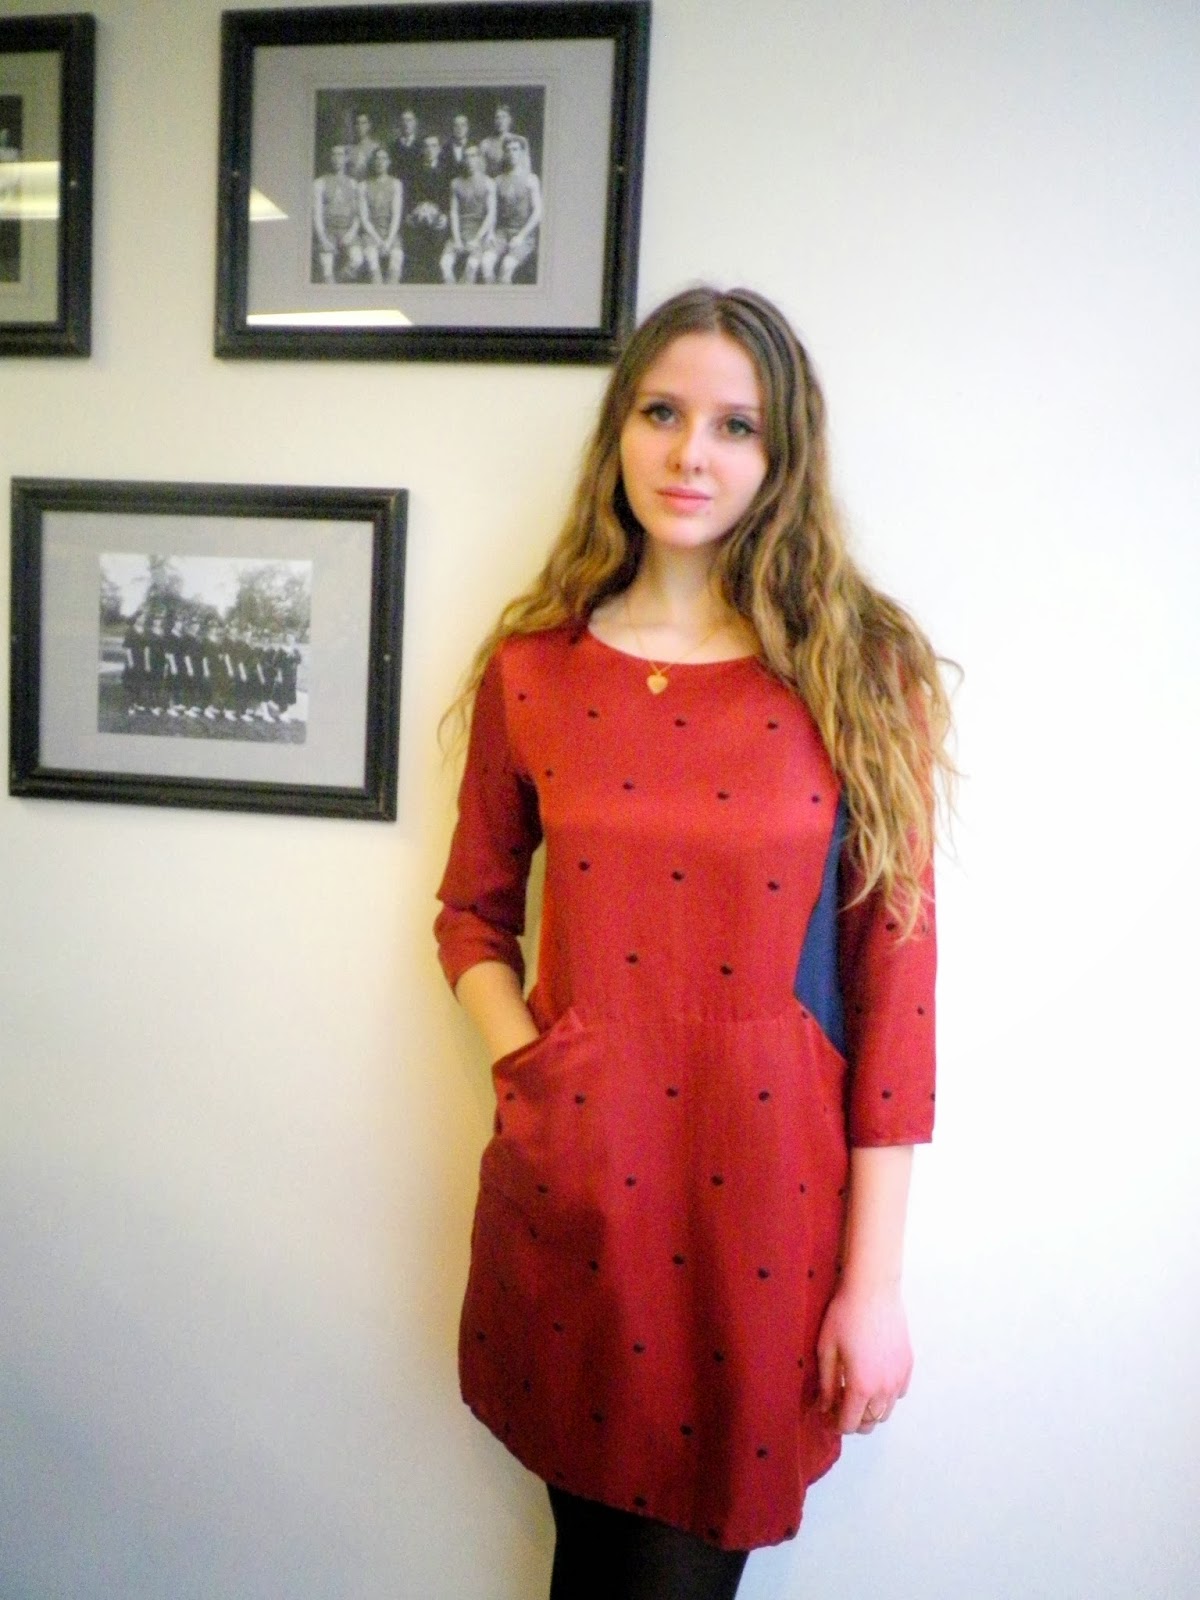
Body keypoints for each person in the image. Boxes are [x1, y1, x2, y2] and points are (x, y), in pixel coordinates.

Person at [434, 286, 953, 1599]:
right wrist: (538, 1065)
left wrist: (874, 1287)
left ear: (783, 456)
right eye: (662, 413)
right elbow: (470, 915)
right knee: (592, 1563)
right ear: (619, 429)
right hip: (576, 1197)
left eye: (736, 425)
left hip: (762, 1224)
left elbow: (896, 996)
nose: (690, 454)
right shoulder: (536, 668)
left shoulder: (857, 671)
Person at [482, 133, 542, 285]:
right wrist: (490, 232)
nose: (511, 153)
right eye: (508, 150)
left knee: (506, 266)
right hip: (502, 233)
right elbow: (493, 211)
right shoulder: (498, 180)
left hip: (523, 234)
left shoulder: (531, 179)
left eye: (515, 149)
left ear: (522, 152)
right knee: (486, 263)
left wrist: (521, 236)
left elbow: (538, 213)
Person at [440, 144, 496, 284]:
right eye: (466, 157)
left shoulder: (489, 183)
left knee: (472, 266)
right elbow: (454, 212)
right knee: (444, 264)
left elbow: (491, 214)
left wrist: (477, 239)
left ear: (479, 159)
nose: (469, 160)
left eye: (473, 156)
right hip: (460, 231)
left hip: (479, 233)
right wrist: (457, 239)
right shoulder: (455, 183)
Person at [312, 144, 362, 284]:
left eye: (340, 155)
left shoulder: (353, 184)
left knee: (358, 260)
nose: (336, 158)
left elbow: (358, 215)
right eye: (333, 155)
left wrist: (351, 233)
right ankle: (331, 287)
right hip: (328, 231)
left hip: (347, 230)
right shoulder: (319, 183)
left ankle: (340, 282)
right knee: (326, 270)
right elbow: (317, 214)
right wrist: (323, 238)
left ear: (346, 158)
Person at [359, 145, 405, 284]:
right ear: (373, 162)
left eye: (384, 158)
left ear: (389, 162)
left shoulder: (396, 184)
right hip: (371, 233)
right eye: (377, 159)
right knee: (372, 262)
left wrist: (389, 240)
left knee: (397, 259)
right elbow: (364, 219)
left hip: (390, 232)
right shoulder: (363, 185)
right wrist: (378, 241)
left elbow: (396, 216)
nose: (380, 162)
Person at [479, 103, 516, 177]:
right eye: (497, 117)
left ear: (509, 120)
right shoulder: (485, 144)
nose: (500, 121)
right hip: (493, 182)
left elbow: (525, 167)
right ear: (494, 121)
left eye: (504, 117)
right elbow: (480, 170)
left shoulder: (519, 141)